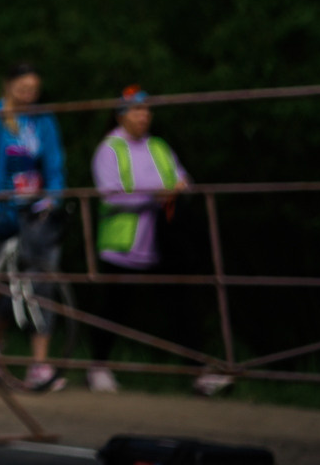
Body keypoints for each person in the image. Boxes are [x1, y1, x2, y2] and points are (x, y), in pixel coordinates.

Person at [87, 88, 221, 395]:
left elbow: (183, 181)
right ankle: (98, 367)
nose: (143, 115)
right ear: (121, 115)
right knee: (113, 308)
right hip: (123, 244)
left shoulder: (159, 145)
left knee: (183, 306)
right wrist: (156, 194)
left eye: (147, 110)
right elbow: (111, 195)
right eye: (136, 110)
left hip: (164, 239)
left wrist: (175, 189)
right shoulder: (109, 149)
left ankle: (200, 372)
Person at [0, 63, 66, 392]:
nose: (28, 94)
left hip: (35, 212)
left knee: (42, 284)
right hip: (1, 211)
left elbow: (54, 162)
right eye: (23, 88)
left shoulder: (43, 119)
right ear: (8, 86)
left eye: (33, 89)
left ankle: (39, 365)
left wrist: (53, 196)